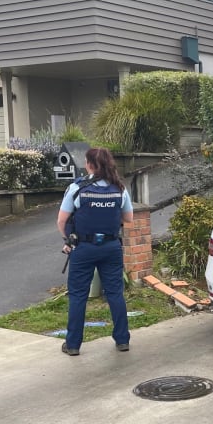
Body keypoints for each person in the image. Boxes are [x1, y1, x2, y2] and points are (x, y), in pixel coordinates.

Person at [56, 147, 134, 356]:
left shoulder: (77, 188)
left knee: (78, 296)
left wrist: (68, 240)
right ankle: (122, 340)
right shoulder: (120, 188)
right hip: (111, 248)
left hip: (83, 248)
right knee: (115, 293)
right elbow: (128, 219)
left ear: (90, 164)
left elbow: (62, 221)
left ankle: (72, 345)